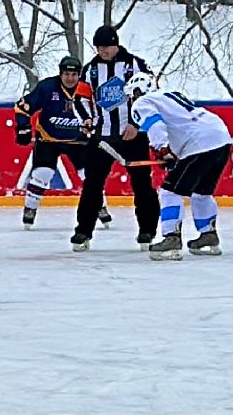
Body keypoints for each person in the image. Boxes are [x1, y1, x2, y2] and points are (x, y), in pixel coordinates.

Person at [126, 74, 233, 260]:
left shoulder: (141, 102)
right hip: (221, 137)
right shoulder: (170, 94)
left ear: (134, 92)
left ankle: (171, 238)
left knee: (169, 191)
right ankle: (208, 235)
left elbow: (155, 125)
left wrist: (162, 150)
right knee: (202, 192)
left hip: (199, 143)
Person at [79, 25, 162, 249]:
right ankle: (83, 231)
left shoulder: (134, 64)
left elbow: (149, 96)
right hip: (102, 136)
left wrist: (136, 124)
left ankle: (147, 230)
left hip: (132, 136)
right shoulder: (90, 69)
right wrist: (87, 120)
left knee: (142, 184)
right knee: (92, 184)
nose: (102, 51)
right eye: (99, 47)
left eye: (106, 46)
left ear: (115, 44)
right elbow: (82, 98)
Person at [12, 54, 98, 245]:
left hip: (78, 140)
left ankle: (98, 206)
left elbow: (100, 112)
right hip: (48, 139)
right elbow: (21, 107)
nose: (70, 78)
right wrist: (24, 127)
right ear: (61, 74)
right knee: (42, 173)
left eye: (74, 74)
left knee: (91, 175)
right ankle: (30, 207)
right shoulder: (47, 87)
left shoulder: (87, 90)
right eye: (66, 74)